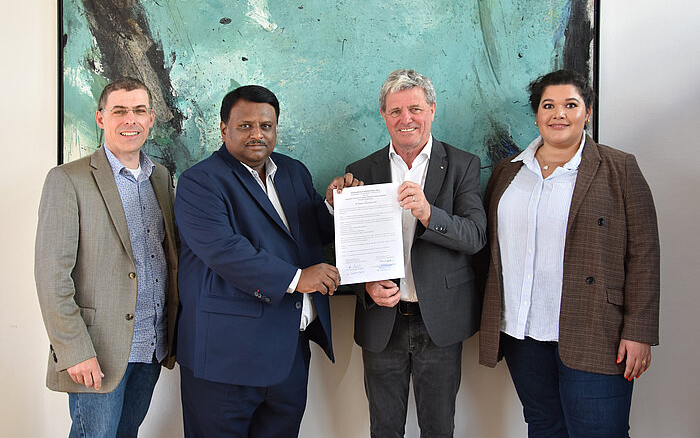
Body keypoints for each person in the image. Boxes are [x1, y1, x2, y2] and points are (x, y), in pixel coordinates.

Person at [479, 69, 660, 437]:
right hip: (522, 331)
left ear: (587, 112)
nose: (558, 113)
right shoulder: (507, 173)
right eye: (549, 105)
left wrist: (639, 331)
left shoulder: (619, 168)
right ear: (536, 114)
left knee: (599, 431)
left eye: (570, 105)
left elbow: (644, 254)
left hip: (596, 330)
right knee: (544, 427)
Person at [174, 85, 351, 437]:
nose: (257, 134)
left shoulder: (293, 172)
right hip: (226, 361)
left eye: (266, 126)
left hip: (287, 354)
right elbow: (226, 251)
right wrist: (298, 278)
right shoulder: (199, 182)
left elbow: (311, 232)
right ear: (224, 129)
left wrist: (333, 206)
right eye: (245, 126)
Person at [328, 69, 487, 437]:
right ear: (383, 115)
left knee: (438, 427)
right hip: (383, 321)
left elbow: (476, 236)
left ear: (432, 110)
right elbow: (348, 250)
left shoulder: (463, 165)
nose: (406, 119)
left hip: (440, 321)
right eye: (395, 111)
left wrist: (430, 214)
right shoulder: (360, 171)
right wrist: (365, 284)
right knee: (384, 428)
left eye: (414, 108)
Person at [35, 77, 179, 437]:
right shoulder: (67, 179)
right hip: (96, 351)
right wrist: (74, 350)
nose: (130, 119)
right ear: (101, 118)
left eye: (139, 111)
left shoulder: (160, 178)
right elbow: (51, 276)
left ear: (150, 120)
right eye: (120, 111)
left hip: (151, 344)